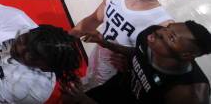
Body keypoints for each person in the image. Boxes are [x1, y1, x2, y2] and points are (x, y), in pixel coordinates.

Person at [70, 0, 181, 90]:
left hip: (118, 84)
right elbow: (94, 19)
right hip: (95, 64)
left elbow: (158, 68)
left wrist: (132, 65)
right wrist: (64, 40)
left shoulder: (163, 24)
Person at [69, 21, 211, 104]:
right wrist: (105, 43)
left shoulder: (189, 94)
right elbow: (139, 52)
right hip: (114, 89)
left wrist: (83, 100)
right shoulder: (151, 35)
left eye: (171, 37)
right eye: (168, 28)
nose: (160, 33)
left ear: (185, 55)